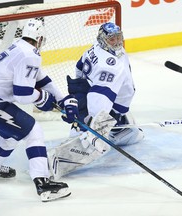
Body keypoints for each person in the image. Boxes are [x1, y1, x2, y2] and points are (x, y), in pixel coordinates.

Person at [0, 18, 78, 202]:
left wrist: (63, 100)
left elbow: (43, 80)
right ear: (40, 38)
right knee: (33, 131)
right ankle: (43, 183)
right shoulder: (30, 54)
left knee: (12, 133)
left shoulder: (20, 47)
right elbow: (23, 95)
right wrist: (42, 98)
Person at [47, 22, 144, 180]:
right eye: (112, 39)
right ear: (103, 39)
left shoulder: (96, 48)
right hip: (90, 100)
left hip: (82, 90)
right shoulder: (110, 65)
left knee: (103, 117)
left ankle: (115, 126)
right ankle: (78, 138)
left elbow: (79, 66)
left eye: (119, 37)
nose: (117, 42)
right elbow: (100, 94)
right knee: (86, 129)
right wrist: (96, 124)